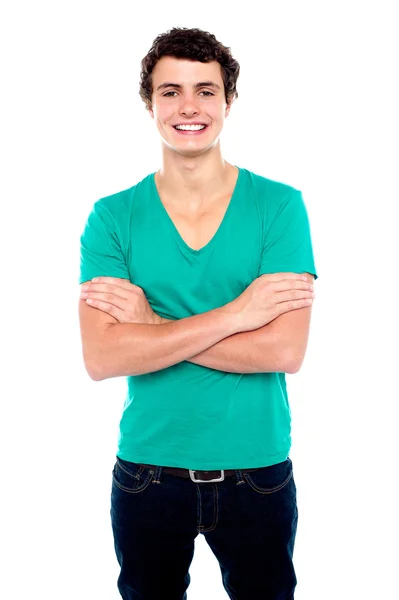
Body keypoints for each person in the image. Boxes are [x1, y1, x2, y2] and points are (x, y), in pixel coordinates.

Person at [78, 26, 318, 600]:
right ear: (149, 103)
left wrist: (153, 327)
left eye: (206, 91)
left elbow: (285, 351)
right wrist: (240, 313)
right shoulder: (111, 217)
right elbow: (102, 356)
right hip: (147, 473)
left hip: (257, 471)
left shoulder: (280, 207)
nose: (189, 107)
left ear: (229, 102)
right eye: (171, 91)